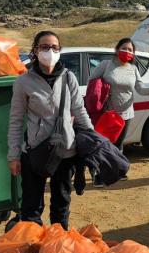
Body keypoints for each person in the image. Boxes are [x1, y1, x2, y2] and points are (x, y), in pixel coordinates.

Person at [7, 30, 93, 231]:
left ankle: (58, 243)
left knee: (61, 203)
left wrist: (92, 139)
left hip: (65, 151)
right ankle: (32, 246)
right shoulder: (23, 82)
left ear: (60, 50)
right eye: (44, 47)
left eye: (54, 47)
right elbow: (16, 120)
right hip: (34, 151)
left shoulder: (69, 77)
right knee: (31, 205)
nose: (50, 51)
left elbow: (79, 111)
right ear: (35, 51)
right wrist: (13, 156)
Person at [89, 37, 149, 185]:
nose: (127, 52)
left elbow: (140, 89)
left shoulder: (134, 69)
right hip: (108, 113)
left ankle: (118, 171)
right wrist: (101, 93)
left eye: (130, 50)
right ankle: (99, 174)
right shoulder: (106, 65)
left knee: (119, 145)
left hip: (126, 114)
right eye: (124, 48)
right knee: (104, 145)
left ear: (133, 54)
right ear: (117, 50)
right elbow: (92, 83)